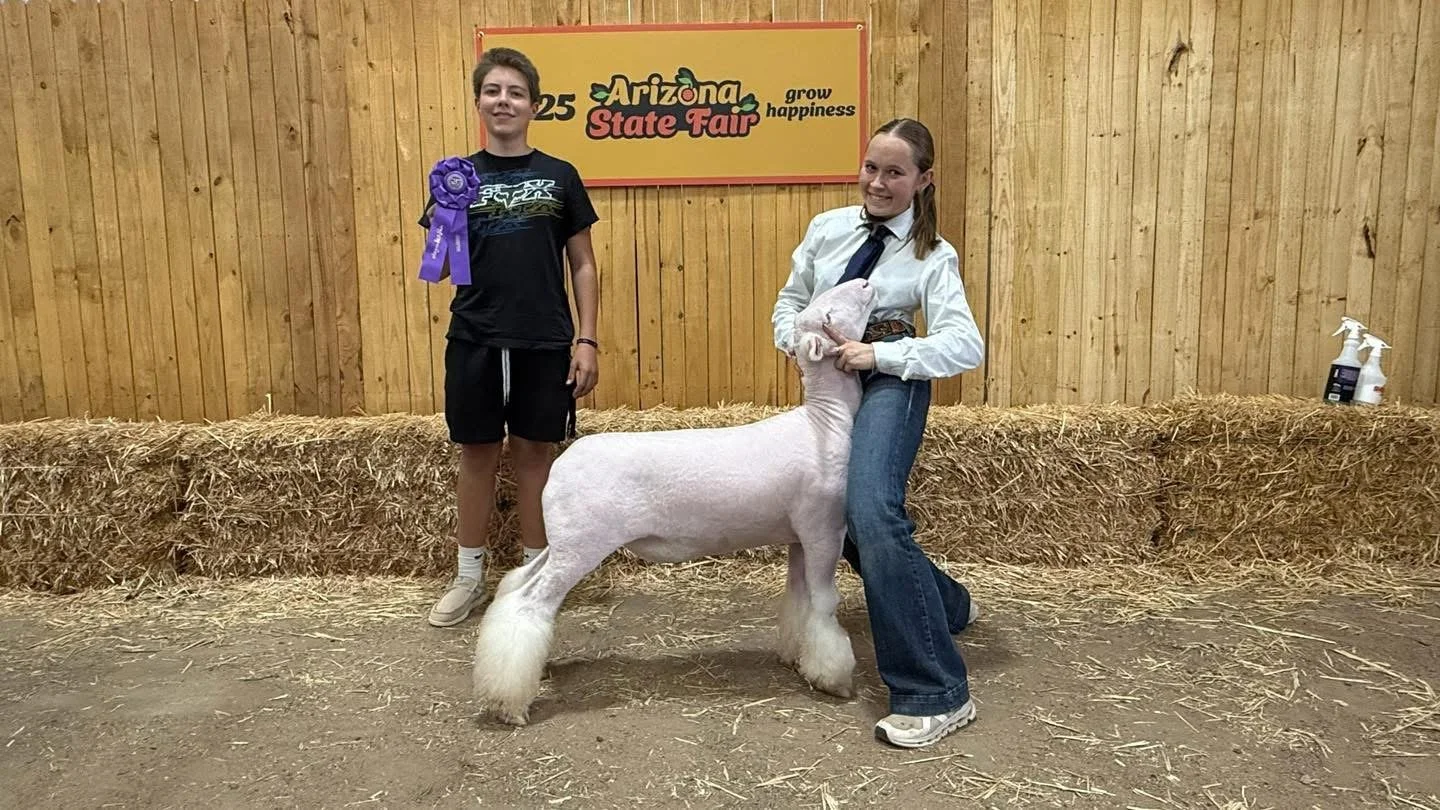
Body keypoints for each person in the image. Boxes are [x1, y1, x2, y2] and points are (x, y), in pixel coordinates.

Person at [771, 118, 985, 748]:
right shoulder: (827, 228)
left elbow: (964, 343)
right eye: (871, 168)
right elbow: (790, 300)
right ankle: (947, 605)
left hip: (890, 379)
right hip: (827, 384)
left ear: (924, 180)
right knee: (834, 511)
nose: (878, 182)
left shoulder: (932, 254)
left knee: (869, 509)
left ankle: (936, 691)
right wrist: (798, 338)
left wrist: (880, 357)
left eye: (895, 172)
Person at [418, 47, 600, 628]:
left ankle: (534, 577)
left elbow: (584, 266)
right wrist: (448, 214)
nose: (504, 100)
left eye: (516, 92)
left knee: (535, 456)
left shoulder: (560, 175)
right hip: (473, 334)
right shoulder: (457, 176)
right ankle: (469, 576)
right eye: (493, 91)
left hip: (545, 339)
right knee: (476, 454)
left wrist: (587, 340)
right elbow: (440, 267)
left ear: (534, 106)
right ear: (479, 103)